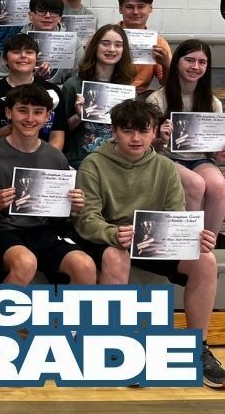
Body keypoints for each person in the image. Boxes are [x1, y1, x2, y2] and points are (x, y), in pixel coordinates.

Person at [72, 99, 225, 389]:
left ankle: (197, 349)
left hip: (152, 241)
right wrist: (113, 233)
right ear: (114, 131)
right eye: (128, 131)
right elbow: (86, 220)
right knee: (117, 257)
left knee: (205, 260)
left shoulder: (166, 167)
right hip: (109, 238)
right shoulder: (93, 164)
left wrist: (194, 238)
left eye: (143, 131)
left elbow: (175, 217)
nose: (135, 138)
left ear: (154, 132)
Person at [0, 84, 94, 285]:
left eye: (38, 112)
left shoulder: (55, 158)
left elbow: (58, 213)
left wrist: (73, 205)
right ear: (8, 112)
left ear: (48, 117)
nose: (30, 119)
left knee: (85, 266)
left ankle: (70, 317)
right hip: (0, 230)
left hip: (43, 231)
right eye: (22, 110)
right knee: (25, 262)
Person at [149, 40, 225, 233]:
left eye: (202, 62)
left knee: (219, 185)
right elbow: (148, 147)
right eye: (189, 60)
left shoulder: (213, 103)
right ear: (177, 63)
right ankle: (185, 243)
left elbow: (212, 152)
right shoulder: (157, 99)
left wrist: (219, 152)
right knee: (195, 184)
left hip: (198, 159)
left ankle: (207, 246)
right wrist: (161, 139)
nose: (195, 67)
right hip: (165, 158)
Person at [61, 24, 136, 167]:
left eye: (118, 45)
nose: (112, 49)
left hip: (116, 160)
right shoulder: (73, 85)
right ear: (95, 46)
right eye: (105, 44)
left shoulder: (126, 89)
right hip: (80, 160)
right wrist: (78, 116)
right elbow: (60, 131)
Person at [0, 34, 67, 150]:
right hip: (3, 157)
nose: (23, 56)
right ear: (5, 59)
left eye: (29, 52)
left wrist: (47, 160)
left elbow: (57, 134)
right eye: (16, 52)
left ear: (36, 58)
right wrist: (13, 127)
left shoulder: (52, 91)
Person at [0, 0, 84, 85]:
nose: (48, 16)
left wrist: (53, 91)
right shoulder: (15, 41)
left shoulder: (74, 43)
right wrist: (32, 80)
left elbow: (76, 82)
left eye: (54, 12)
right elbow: (1, 77)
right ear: (30, 15)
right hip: (21, 95)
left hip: (59, 95)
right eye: (41, 11)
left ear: (60, 17)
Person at [116, 0, 172, 94]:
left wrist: (167, 65)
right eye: (129, 7)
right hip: (107, 92)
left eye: (141, 6)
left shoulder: (158, 43)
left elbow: (167, 84)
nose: (135, 12)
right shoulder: (104, 37)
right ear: (120, 9)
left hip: (139, 98)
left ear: (150, 8)